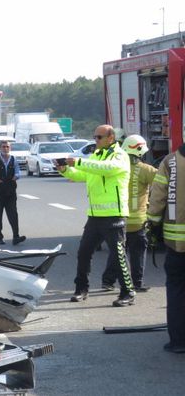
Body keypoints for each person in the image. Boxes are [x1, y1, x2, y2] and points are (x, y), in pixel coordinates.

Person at [57, 124, 135, 307]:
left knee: (118, 256)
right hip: (95, 215)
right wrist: (65, 170)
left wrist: (76, 162)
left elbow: (106, 169)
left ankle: (128, 292)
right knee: (83, 252)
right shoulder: (95, 156)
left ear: (111, 138)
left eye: (99, 137)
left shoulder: (120, 155)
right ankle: (81, 289)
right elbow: (82, 175)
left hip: (114, 215)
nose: (96, 140)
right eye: (94, 137)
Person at [101, 135, 157, 292]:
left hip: (116, 217)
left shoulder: (115, 167)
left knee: (118, 250)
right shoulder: (146, 170)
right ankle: (137, 283)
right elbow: (162, 185)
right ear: (140, 151)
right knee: (138, 251)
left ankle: (108, 281)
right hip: (138, 220)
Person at [146, 142, 185, 353]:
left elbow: (158, 197)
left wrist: (152, 223)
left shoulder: (170, 162)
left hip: (177, 245)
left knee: (177, 291)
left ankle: (179, 342)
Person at [0, 141, 27, 245]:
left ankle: (16, 236)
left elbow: (18, 171)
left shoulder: (13, 159)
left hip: (11, 190)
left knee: (13, 214)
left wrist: (16, 176)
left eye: (7, 146)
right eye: (3, 147)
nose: (5, 148)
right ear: (0, 148)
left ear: (10, 148)